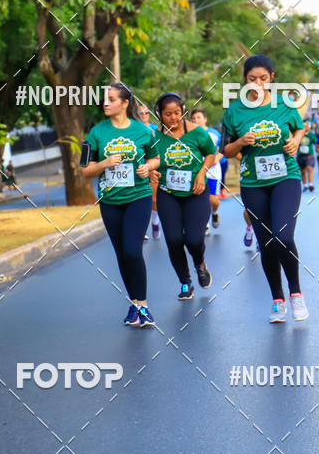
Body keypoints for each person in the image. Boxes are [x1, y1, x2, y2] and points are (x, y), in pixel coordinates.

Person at [222, 54, 308, 323]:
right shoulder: (234, 111)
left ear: (272, 78)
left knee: (283, 235)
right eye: (251, 79)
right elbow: (226, 149)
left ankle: (296, 294)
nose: (257, 83)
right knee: (266, 242)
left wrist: (295, 142)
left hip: (286, 178)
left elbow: (300, 128)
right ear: (244, 80)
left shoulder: (284, 104)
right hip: (253, 183)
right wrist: (241, 143)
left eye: (262, 78)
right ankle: (277, 300)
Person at [81, 83, 159, 326]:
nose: (106, 103)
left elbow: (156, 158)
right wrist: (104, 163)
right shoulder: (95, 133)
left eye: (112, 99)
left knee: (131, 250)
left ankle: (143, 306)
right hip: (110, 201)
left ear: (125, 103)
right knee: (121, 255)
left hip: (138, 196)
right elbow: (84, 170)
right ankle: (134, 303)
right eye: (105, 99)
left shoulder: (144, 131)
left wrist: (149, 167)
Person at [151, 93, 217, 299]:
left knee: (194, 239)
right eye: (167, 114)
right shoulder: (154, 137)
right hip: (168, 193)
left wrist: (201, 173)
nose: (173, 118)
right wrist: (151, 172)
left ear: (183, 111)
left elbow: (211, 153)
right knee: (173, 239)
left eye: (177, 113)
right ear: (159, 115)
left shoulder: (196, 132)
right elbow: (149, 160)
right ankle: (185, 282)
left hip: (196, 192)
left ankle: (200, 264)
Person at [190, 108, 223, 229]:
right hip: (197, 171)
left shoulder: (214, 134)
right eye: (193, 118)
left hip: (213, 171)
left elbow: (223, 149)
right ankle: (205, 224)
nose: (196, 120)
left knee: (213, 200)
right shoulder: (190, 134)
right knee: (199, 198)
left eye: (198, 117)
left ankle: (214, 213)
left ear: (205, 119)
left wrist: (216, 159)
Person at [138, 104, 161, 239]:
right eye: (141, 112)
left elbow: (157, 152)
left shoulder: (155, 130)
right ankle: (142, 230)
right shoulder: (133, 128)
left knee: (153, 199)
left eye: (146, 112)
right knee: (139, 199)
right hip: (137, 169)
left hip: (151, 167)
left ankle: (155, 221)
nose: (144, 114)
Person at [296, 120, 316, 191]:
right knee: (303, 171)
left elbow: (316, 142)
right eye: (303, 126)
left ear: (308, 126)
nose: (304, 127)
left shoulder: (311, 135)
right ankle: (305, 185)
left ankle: (311, 184)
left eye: (306, 126)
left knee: (309, 168)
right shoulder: (298, 135)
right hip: (300, 155)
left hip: (309, 155)